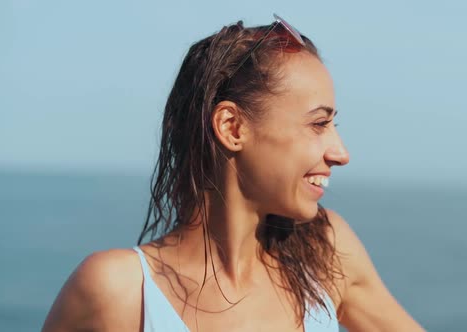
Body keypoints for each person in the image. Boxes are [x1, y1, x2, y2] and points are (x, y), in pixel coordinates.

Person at [42, 14, 425, 332]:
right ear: (232, 127)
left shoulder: (325, 254)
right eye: (318, 124)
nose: (341, 153)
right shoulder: (120, 291)